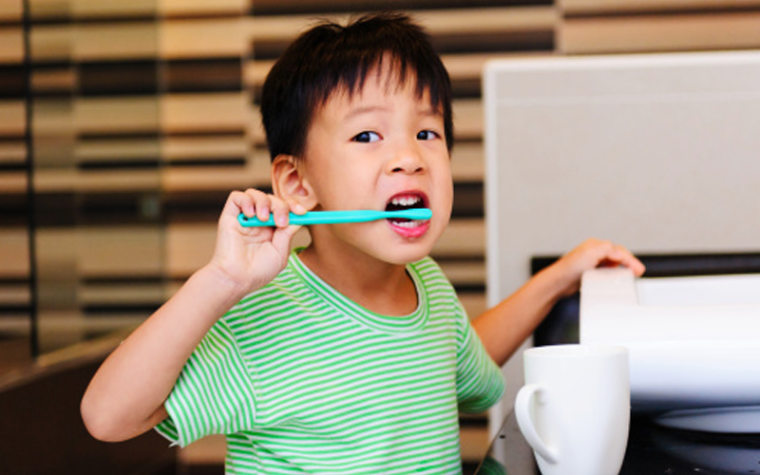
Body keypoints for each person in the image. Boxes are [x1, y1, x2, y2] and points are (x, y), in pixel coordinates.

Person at [80, 12, 645, 474]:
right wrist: (222, 281)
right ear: (299, 185)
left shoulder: (427, 288)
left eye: (427, 132)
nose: (409, 156)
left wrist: (561, 276)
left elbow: (458, 359)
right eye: (368, 135)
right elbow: (108, 416)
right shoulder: (266, 317)